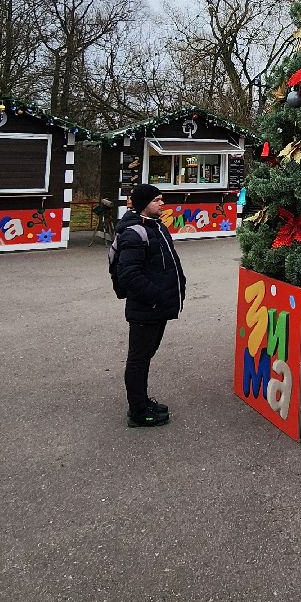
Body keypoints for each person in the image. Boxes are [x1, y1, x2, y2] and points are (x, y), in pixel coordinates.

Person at [115, 183, 186, 428]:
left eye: (161, 199)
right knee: (138, 359)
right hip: (147, 308)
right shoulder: (134, 233)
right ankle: (138, 412)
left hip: (157, 307)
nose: (162, 203)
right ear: (144, 204)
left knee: (145, 356)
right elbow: (129, 274)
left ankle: (143, 401)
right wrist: (156, 296)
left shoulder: (156, 226)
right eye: (157, 200)